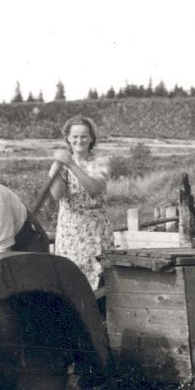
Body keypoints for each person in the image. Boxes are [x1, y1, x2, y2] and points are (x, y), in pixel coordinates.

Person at [48, 115, 115, 288]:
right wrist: (55, 168)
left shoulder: (101, 162)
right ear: (68, 138)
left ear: (91, 138)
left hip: (96, 229)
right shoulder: (61, 164)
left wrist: (71, 164)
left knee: (100, 278)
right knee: (71, 278)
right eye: (75, 136)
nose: (79, 140)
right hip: (70, 231)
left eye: (84, 136)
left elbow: (93, 189)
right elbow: (57, 195)